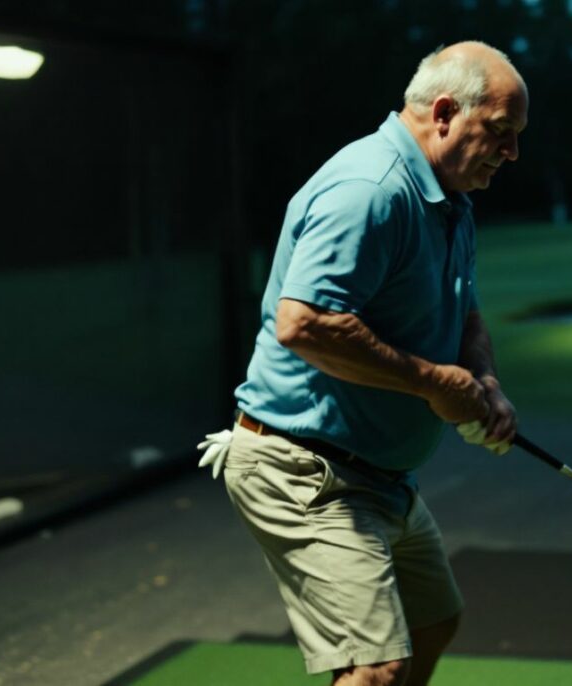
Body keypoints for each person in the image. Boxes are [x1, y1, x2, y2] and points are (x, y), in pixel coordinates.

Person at [198, 41, 527, 686]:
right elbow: (306, 323)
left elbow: (464, 312)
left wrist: (483, 382)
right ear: (443, 113)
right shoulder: (371, 188)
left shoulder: (451, 199)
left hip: (378, 477)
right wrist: (434, 383)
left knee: (434, 620)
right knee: (375, 668)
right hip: (304, 471)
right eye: (500, 131)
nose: (511, 153)